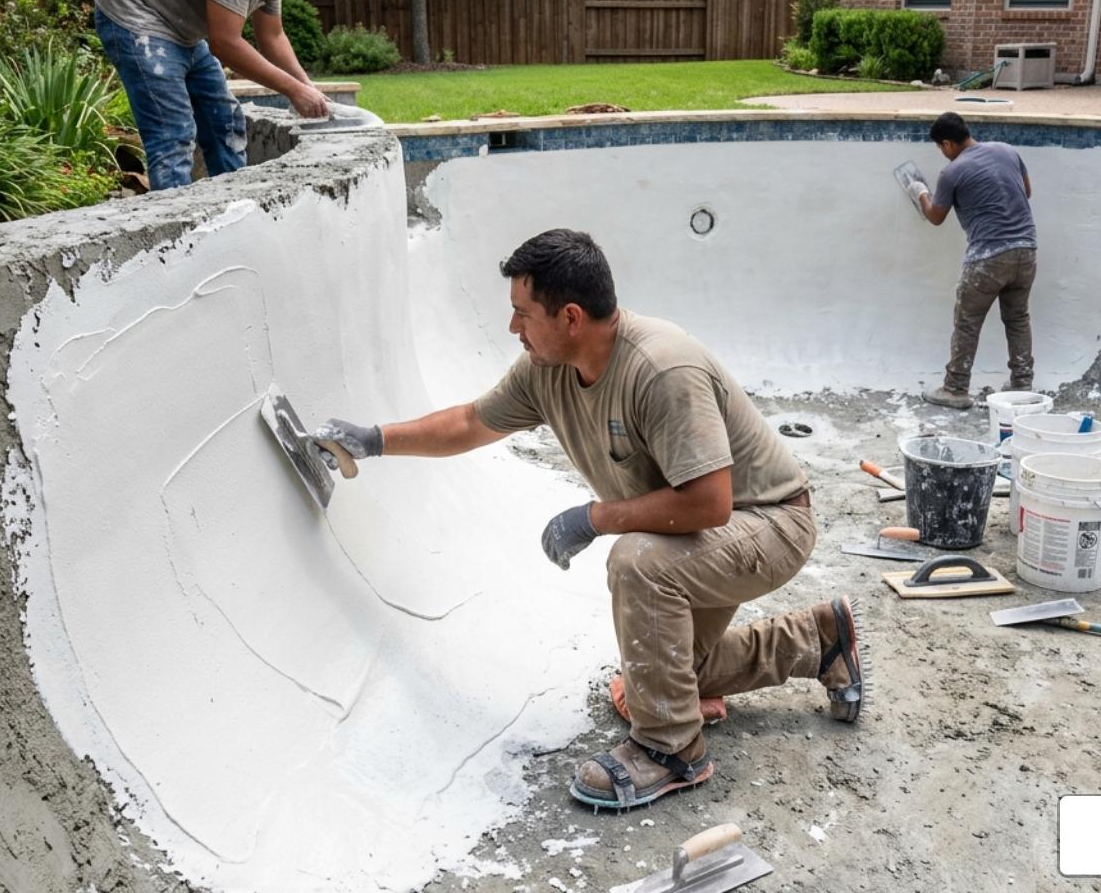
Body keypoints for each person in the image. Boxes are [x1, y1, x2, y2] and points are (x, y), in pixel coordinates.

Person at [313, 229, 866, 810]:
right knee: (672, 677)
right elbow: (470, 424)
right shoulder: (546, 369)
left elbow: (710, 503)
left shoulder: (660, 369)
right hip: (702, 537)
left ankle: (671, 749)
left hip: (769, 524)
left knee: (638, 563)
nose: (513, 329)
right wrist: (374, 440)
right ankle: (818, 640)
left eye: (522, 314)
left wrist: (594, 517)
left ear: (571, 316)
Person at [93, 0, 338, 191]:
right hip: (136, 15)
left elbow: (272, 36)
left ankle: (234, 212)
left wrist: (306, 86)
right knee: (173, 134)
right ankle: (179, 228)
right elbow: (225, 43)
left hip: (180, 28)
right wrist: (293, 91)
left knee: (225, 122)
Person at [908, 111, 1038, 409]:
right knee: (1018, 319)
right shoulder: (1007, 151)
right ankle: (1022, 386)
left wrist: (921, 193)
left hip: (987, 258)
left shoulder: (952, 172)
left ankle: (955, 388)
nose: (943, 154)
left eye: (941, 149)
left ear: (947, 143)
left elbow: (936, 217)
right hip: (1027, 250)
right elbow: (1026, 192)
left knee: (967, 321)